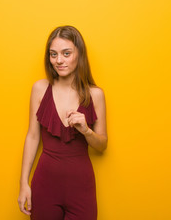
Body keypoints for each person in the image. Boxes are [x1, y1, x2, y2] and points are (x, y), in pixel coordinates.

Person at [18, 25, 108, 220]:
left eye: (66, 53)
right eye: (53, 54)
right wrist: (24, 183)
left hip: (81, 187)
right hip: (44, 184)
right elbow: (33, 137)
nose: (59, 60)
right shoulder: (40, 89)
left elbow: (102, 146)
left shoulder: (95, 95)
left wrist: (86, 131)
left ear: (79, 54)